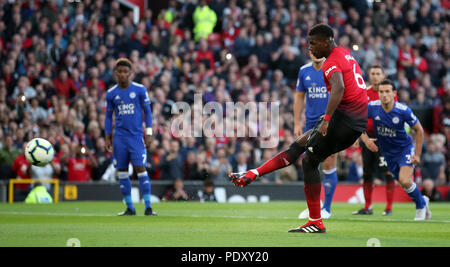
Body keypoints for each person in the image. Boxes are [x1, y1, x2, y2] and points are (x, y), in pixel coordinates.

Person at [229, 24, 369, 233]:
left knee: (309, 161)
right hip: (354, 118)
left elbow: (338, 87)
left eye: (313, 43)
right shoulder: (345, 53)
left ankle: (316, 221)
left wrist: (327, 119)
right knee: (298, 146)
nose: (309, 48)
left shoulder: (330, 63)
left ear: (327, 41)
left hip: (344, 120)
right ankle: (253, 173)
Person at [360, 79, 431, 220]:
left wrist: (417, 155)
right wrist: (366, 140)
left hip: (404, 149)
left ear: (394, 93)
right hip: (387, 153)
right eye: (381, 92)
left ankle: (420, 207)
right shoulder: (372, 107)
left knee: (405, 180)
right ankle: (423, 201)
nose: (384, 95)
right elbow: (356, 122)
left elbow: (419, 130)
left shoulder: (403, 110)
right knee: (403, 182)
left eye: (387, 91)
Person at [105, 58, 156, 216]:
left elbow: (147, 112)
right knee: (122, 171)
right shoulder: (111, 93)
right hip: (120, 137)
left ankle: (148, 207)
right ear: (115, 74)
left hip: (136, 137)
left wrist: (149, 133)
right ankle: (130, 208)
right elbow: (108, 116)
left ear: (131, 74)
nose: (122, 74)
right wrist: (108, 136)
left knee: (141, 168)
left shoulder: (140, 90)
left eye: (125, 72)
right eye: (119, 72)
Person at [295, 51, 337, 220]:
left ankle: (326, 208)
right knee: (308, 163)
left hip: (330, 122)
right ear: (309, 53)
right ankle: (314, 205)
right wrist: (297, 122)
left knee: (329, 161)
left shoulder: (333, 70)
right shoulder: (304, 71)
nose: (315, 54)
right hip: (310, 125)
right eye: (312, 51)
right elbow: (299, 97)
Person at [353, 66, 397, 216]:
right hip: (367, 138)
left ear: (383, 75)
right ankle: (367, 206)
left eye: (378, 73)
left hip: (385, 138)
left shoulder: (389, 93)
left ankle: (389, 208)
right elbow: (359, 116)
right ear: (369, 75)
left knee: (388, 172)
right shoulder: (364, 93)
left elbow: (393, 115)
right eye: (373, 73)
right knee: (367, 172)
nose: (375, 76)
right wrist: (359, 137)